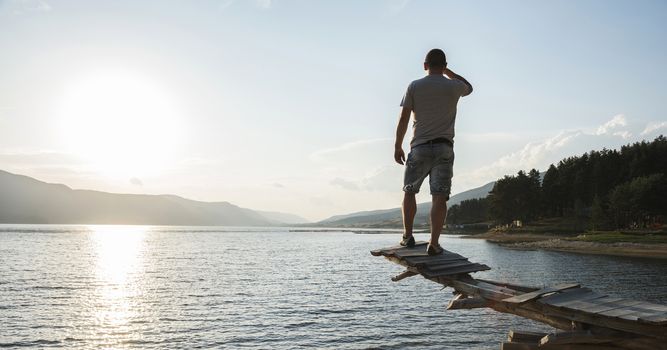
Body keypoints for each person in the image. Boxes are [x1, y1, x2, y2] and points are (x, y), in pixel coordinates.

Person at [393, 48, 473, 255]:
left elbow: (403, 118)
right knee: (440, 196)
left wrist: (397, 145)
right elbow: (470, 88)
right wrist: (450, 74)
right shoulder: (454, 86)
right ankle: (433, 243)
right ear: (444, 66)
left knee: (410, 191)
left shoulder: (414, 86)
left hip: (419, 147)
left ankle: (407, 237)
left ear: (425, 65)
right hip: (444, 148)